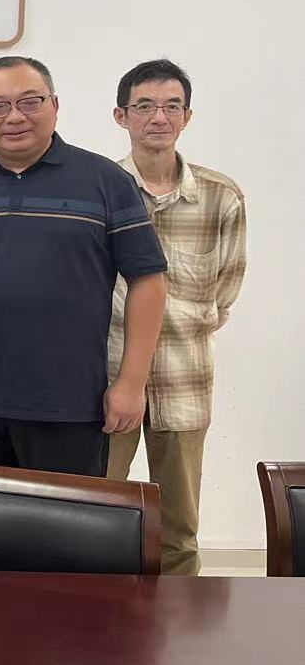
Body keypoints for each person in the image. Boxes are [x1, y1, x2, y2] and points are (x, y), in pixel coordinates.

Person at [0, 56, 168, 475]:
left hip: (70, 405)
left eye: (30, 101)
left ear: (55, 105)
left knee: (66, 519)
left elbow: (148, 280)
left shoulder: (106, 181)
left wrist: (132, 383)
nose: (15, 117)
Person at [106, 60, 246, 576]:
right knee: (93, 514)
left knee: (180, 531)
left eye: (171, 106)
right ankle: (96, 617)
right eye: (144, 106)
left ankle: (179, 621)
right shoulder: (99, 188)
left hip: (185, 378)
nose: (158, 117)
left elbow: (224, 293)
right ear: (121, 116)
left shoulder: (220, 196)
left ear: (187, 116)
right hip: (106, 377)